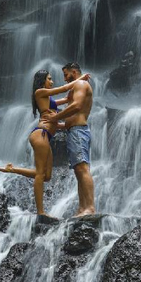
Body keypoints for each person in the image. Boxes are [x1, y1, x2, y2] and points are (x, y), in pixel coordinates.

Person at [0, 69, 89, 216]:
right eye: (49, 79)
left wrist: (72, 97)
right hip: (40, 135)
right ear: (42, 80)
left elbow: (64, 100)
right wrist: (81, 79)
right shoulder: (39, 92)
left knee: (47, 176)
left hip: (46, 137)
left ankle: (11, 169)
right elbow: (63, 89)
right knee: (39, 174)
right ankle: (40, 212)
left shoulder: (48, 99)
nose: (52, 81)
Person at [42, 62, 95, 217]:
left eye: (66, 75)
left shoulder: (80, 84)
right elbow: (71, 117)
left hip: (79, 132)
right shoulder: (76, 87)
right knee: (79, 171)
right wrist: (56, 124)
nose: (65, 78)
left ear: (74, 72)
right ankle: (82, 208)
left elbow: (77, 106)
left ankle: (90, 207)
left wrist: (55, 117)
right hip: (74, 131)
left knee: (83, 169)